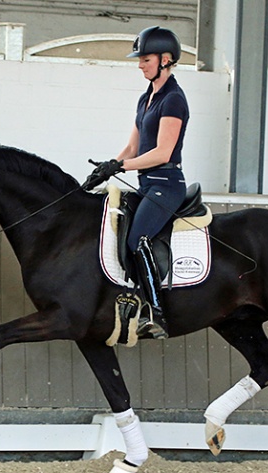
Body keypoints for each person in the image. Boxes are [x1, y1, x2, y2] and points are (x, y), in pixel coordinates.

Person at [85, 26, 189, 340]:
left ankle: (156, 312)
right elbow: (133, 147)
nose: (140, 65)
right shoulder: (147, 98)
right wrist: (107, 167)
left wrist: (122, 166)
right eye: (140, 59)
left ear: (166, 60)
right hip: (146, 184)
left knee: (136, 239)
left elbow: (162, 151)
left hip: (166, 185)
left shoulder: (173, 100)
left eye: (146, 59)